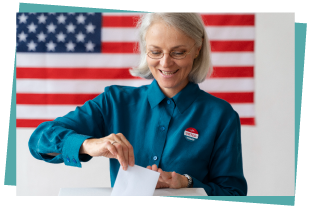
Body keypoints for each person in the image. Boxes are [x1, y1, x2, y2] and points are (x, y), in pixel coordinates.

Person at [28, 12, 247, 196]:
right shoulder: (114, 102)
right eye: (155, 51)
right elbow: (39, 140)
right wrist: (89, 144)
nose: (165, 63)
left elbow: (233, 192)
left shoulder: (221, 116)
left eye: (178, 52)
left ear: (197, 48)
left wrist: (188, 182)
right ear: (145, 49)